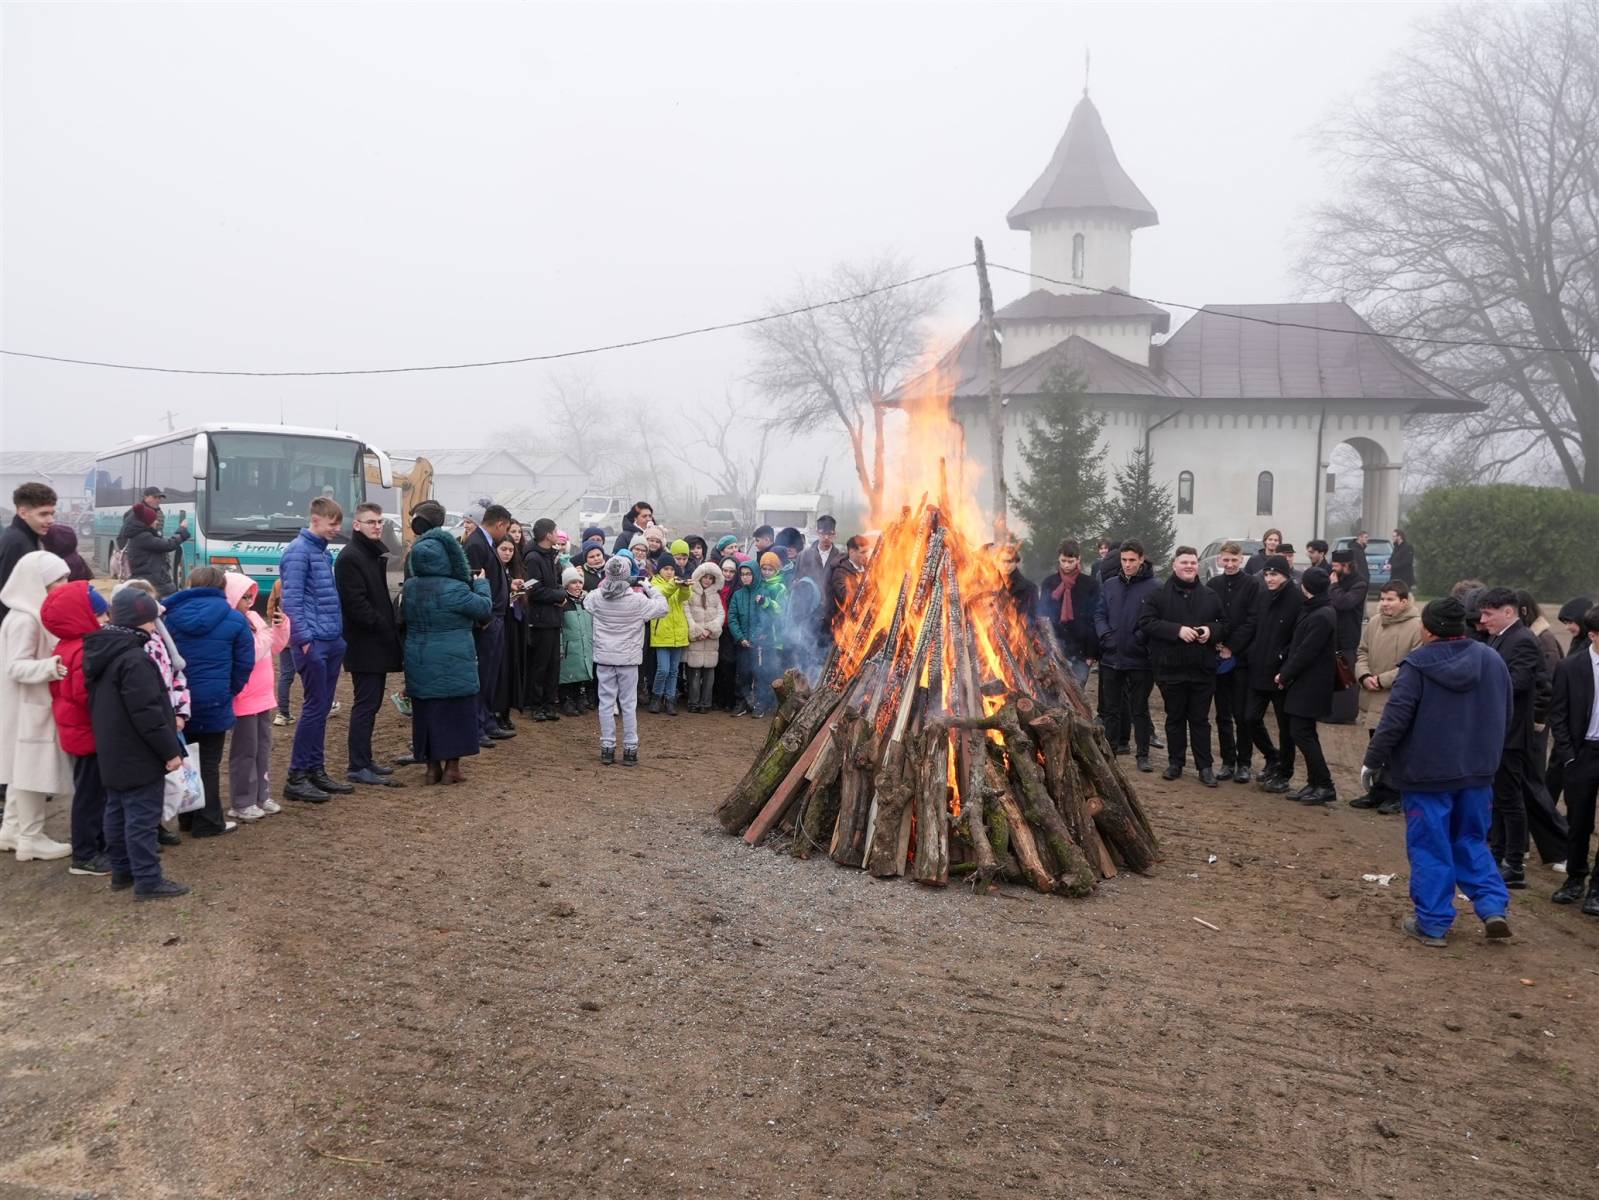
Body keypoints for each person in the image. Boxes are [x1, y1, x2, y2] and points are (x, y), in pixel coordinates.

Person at [1362, 596, 1513, 945]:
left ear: (1427, 630)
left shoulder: (1416, 666)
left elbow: (1395, 719)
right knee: (1472, 840)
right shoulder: (1491, 659)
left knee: (1431, 847)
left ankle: (1432, 923)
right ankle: (1492, 906)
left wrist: (1373, 759)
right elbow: (1505, 712)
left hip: (1426, 776)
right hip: (1477, 773)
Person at [83, 586, 191, 900]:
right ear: (140, 620)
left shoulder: (104, 651)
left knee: (116, 811)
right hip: (138, 752)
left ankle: (122, 872)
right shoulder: (134, 659)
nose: (155, 626)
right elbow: (148, 712)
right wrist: (170, 751)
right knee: (142, 817)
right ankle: (148, 879)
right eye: (152, 620)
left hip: (112, 748)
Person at [402, 503, 493, 784]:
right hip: (455, 662)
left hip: (420, 660)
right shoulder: (455, 589)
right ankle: (452, 768)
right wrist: (481, 584)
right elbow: (483, 608)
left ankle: (432, 769)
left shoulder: (411, 588)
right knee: (456, 713)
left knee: (426, 714)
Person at [162, 566, 254, 837]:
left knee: (183, 756)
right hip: (215, 698)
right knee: (209, 762)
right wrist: (229, 689)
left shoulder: (168, 617)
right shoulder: (234, 619)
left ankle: (187, 817)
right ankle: (209, 821)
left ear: (190, 584)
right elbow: (244, 663)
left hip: (179, 700)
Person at [0, 551, 74, 860]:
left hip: (27, 705)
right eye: (59, 579)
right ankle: (31, 837)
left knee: (20, 770)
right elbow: (15, 666)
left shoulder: (27, 615)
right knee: (31, 772)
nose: (65, 584)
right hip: (29, 706)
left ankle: (12, 829)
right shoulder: (26, 620)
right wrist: (52, 666)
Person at [1478, 585, 1552, 889]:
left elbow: (1516, 683)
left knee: (1510, 799)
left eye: (1488, 614)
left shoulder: (1522, 640)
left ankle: (1515, 864)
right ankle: (1496, 856)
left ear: (1508, 612)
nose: (1483, 620)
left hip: (1511, 735)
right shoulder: (1499, 636)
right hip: (1496, 732)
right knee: (1497, 798)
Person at [279, 496, 350, 801]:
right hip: (314, 643)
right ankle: (297, 776)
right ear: (316, 519)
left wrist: (337, 636)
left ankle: (315, 770)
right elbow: (292, 601)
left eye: (338, 524)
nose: (336, 529)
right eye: (332, 524)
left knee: (321, 708)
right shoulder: (298, 552)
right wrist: (305, 640)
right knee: (313, 708)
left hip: (330, 639)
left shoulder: (321, 552)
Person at [1138, 546, 1226, 785]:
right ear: (1174, 565)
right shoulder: (1158, 595)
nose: (1189, 566)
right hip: (1170, 668)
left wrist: (1210, 631)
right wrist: (1176, 630)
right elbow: (1146, 622)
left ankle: (1205, 767)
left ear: (1198, 566)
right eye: (1184, 562)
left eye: (1193, 563)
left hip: (1202, 669)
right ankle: (1175, 763)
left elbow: (1224, 624)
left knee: (1200, 720)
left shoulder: (1210, 595)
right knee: (1175, 718)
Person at [40, 580, 111, 872]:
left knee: (94, 791)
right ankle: (84, 854)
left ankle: (98, 845)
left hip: (81, 731)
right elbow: (85, 695)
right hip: (87, 732)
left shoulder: (69, 646)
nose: (106, 619)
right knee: (90, 794)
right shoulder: (84, 651)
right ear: (82, 616)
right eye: (100, 614)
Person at [336, 502, 405, 785]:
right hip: (365, 644)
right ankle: (358, 764)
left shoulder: (371, 554)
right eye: (371, 522)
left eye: (379, 522)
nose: (377, 526)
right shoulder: (351, 557)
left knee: (372, 703)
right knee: (365, 704)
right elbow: (356, 604)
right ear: (357, 525)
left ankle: (365, 760)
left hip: (375, 641)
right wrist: (383, 626)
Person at [118, 579, 190, 847]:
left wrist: (181, 712)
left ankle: (156, 824)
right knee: (146, 778)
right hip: (147, 720)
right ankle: (143, 831)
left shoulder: (160, 638)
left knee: (166, 777)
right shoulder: (132, 647)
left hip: (166, 715)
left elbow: (176, 675)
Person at [585, 555, 669, 765]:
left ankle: (607, 747)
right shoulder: (638, 601)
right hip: (628, 660)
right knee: (629, 704)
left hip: (605, 658)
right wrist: (648, 586)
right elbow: (662, 607)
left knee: (606, 703)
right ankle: (630, 749)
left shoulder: (597, 598)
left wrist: (608, 583)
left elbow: (587, 600)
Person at [1350, 580, 1424, 814]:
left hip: (1395, 697)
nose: (1384, 604)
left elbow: (1414, 663)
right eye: (1382, 599)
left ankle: (1395, 794)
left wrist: (1382, 680)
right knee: (1376, 744)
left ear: (1404, 601)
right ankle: (1377, 791)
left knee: (1396, 748)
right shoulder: (1374, 622)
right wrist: (1364, 675)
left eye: (1390, 599)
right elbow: (1362, 652)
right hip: (1371, 694)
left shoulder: (1417, 627)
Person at [222, 572, 290, 820]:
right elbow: (251, 654)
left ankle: (262, 795)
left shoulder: (252, 617)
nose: (250, 600)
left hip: (262, 695)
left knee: (262, 748)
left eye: (251, 595)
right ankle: (242, 801)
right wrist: (268, 634)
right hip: (244, 698)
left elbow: (275, 647)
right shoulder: (231, 623)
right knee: (245, 752)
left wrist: (281, 626)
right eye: (244, 596)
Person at [1549, 605, 1599, 913]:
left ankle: (1597, 889)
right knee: (1579, 820)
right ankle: (1575, 878)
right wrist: (1569, 756)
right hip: (1582, 754)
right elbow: (1558, 714)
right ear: (1593, 635)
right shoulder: (1570, 668)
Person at [1274, 567, 1338, 805]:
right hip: (1305, 682)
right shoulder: (1314, 609)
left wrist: (1284, 675)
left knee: (1301, 733)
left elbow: (1305, 652)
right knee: (1305, 732)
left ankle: (1325, 785)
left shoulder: (1322, 615)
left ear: (1306, 587)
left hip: (1312, 684)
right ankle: (1314, 782)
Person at [1094, 540, 1159, 772]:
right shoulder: (1110, 585)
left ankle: (1143, 755)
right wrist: (1105, 635)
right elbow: (1099, 613)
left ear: (1141, 559)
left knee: (1139, 709)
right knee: (1111, 709)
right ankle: (1110, 751)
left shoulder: (1154, 587)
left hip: (1140, 659)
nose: (1128, 564)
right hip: (1112, 657)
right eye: (1124, 560)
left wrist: (1140, 638)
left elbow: (1156, 619)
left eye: (1132, 560)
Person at [1206, 541, 1261, 783]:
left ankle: (1244, 763)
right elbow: (1208, 615)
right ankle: (1227, 761)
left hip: (1242, 658)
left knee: (1242, 713)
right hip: (1218, 657)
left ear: (1241, 560)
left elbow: (1252, 620)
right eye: (1226, 560)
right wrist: (1217, 642)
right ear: (1220, 559)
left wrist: (1232, 647)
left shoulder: (1252, 585)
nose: (1229, 564)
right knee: (1222, 714)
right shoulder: (1213, 585)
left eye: (1234, 560)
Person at [1249, 556, 1303, 794]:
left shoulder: (1296, 599)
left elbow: (1298, 637)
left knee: (1285, 727)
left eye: (1275, 575)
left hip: (1281, 674)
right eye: (1267, 574)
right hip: (1259, 668)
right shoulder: (1263, 595)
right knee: (1249, 718)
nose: (1269, 579)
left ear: (1285, 575)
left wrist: (1284, 661)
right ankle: (1272, 756)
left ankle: (1284, 772)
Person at [463, 503, 514, 743]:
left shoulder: (485, 542)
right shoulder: (476, 544)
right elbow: (472, 582)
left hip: (496, 617)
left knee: (492, 673)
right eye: (507, 528)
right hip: (487, 620)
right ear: (500, 524)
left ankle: (487, 720)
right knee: (482, 674)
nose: (507, 533)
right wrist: (482, 618)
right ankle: (477, 725)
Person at [1547, 596, 1596, 809]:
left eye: (1570, 622)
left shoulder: (1588, 648)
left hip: (1579, 732)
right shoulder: (1578, 644)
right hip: (1567, 731)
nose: (1568, 628)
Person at [521, 518, 567, 722]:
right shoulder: (533, 558)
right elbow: (533, 590)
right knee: (540, 664)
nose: (558, 534)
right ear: (548, 535)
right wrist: (559, 595)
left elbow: (556, 582)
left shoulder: (551, 555)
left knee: (553, 664)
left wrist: (560, 592)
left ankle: (549, 704)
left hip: (553, 618)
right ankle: (536, 705)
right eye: (555, 531)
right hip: (540, 621)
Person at [1038, 539, 1100, 688]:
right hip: (1054, 647)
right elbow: (1042, 617)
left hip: (1081, 649)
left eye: (1070, 561)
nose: (1066, 565)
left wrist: (1091, 653)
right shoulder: (1049, 583)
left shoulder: (1090, 584)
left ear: (1078, 559)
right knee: (1052, 692)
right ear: (1059, 559)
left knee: (1076, 692)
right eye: (1063, 561)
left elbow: (1095, 618)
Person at [0, 483, 56, 629]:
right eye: (43, 514)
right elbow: (9, 594)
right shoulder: (18, 543)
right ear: (23, 513)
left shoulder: (25, 537)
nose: (51, 520)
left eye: (52, 513)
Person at [116, 497, 190, 596]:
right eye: (154, 520)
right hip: (153, 583)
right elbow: (168, 545)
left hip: (150, 581)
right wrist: (182, 530)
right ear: (147, 522)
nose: (157, 522)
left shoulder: (139, 535)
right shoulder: (144, 537)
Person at [647, 557, 691, 714]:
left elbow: (684, 597)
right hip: (662, 634)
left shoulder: (676, 582)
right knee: (663, 670)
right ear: (659, 570)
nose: (669, 572)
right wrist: (675, 584)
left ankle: (670, 699)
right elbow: (662, 593)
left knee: (674, 671)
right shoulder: (654, 584)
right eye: (666, 569)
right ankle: (656, 697)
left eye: (672, 569)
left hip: (678, 633)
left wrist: (684, 587)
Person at [747, 552, 788, 716]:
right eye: (764, 569)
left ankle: (770, 704)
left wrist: (767, 602)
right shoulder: (760, 585)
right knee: (760, 671)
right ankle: (761, 702)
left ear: (776, 570)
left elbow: (781, 611)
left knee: (771, 671)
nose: (766, 572)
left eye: (770, 569)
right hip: (760, 636)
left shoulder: (780, 587)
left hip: (774, 637)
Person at [685, 561, 725, 714]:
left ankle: (706, 703)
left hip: (710, 640)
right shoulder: (690, 593)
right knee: (694, 673)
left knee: (709, 674)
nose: (707, 580)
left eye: (711, 578)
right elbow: (686, 612)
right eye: (705, 577)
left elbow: (721, 614)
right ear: (699, 577)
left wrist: (710, 629)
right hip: (696, 639)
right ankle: (693, 702)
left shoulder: (716, 596)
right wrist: (696, 630)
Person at [558, 566, 595, 716]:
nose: (578, 586)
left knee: (582, 673)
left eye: (580, 582)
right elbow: (560, 627)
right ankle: (566, 699)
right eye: (573, 582)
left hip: (585, 645)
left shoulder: (587, 601)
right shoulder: (562, 603)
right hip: (569, 647)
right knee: (568, 674)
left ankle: (579, 697)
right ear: (566, 585)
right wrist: (560, 646)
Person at [794, 516, 844, 600]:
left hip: (831, 605)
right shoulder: (803, 555)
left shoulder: (840, 559)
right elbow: (797, 579)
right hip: (808, 604)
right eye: (823, 533)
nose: (826, 537)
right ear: (817, 532)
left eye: (830, 534)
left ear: (834, 534)